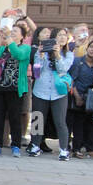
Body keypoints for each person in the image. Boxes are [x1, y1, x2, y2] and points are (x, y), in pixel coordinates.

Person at [28, 27, 73, 159]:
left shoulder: (69, 54)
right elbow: (36, 72)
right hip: (40, 90)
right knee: (38, 119)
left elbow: (63, 69)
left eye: (65, 35)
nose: (63, 37)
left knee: (60, 121)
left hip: (58, 92)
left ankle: (64, 149)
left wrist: (58, 55)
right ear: (53, 38)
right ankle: (35, 145)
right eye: (60, 35)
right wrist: (40, 57)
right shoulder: (41, 51)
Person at [0, 25, 30, 155]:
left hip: (16, 88)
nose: (12, 33)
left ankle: (16, 145)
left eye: (15, 32)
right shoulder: (4, 47)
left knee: (15, 117)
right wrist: (0, 38)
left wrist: (9, 39)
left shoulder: (25, 48)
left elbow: (18, 55)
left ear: (22, 36)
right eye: (11, 32)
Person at [69, 37, 93, 157]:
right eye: (91, 47)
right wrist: (77, 96)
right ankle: (75, 148)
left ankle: (89, 147)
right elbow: (72, 80)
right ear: (87, 48)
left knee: (90, 124)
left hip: (91, 99)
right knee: (76, 123)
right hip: (76, 96)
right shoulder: (77, 62)